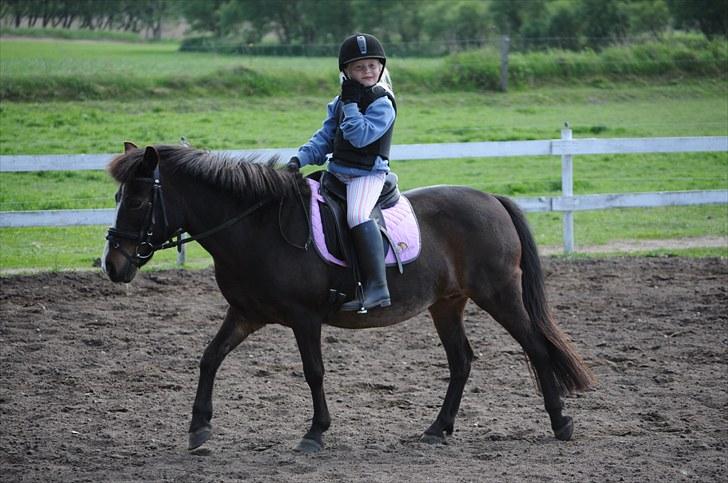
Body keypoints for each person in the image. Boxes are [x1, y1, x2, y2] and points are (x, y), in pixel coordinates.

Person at [288, 33, 396, 312]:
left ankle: (378, 288)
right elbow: (325, 138)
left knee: (357, 215)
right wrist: (298, 159)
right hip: (337, 173)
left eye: (372, 66)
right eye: (360, 67)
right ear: (346, 72)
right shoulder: (339, 103)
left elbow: (360, 137)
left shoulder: (382, 103)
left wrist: (350, 104)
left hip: (368, 176)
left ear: (381, 68)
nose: (368, 72)